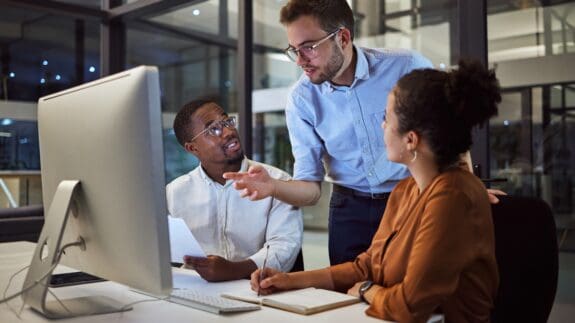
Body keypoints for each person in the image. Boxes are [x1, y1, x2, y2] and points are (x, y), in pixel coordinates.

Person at [224, 0, 505, 266]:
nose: (300, 60)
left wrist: (464, 187)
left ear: (343, 38)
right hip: (349, 210)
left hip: (412, 197)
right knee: (348, 298)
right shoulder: (301, 99)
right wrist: (274, 187)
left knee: (412, 298)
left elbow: (449, 131)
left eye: (308, 47)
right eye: (294, 49)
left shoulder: (406, 66)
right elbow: (310, 189)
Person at [250, 60, 501, 323]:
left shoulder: (452, 196)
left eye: (386, 118)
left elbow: (408, 307)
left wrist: (368, 290)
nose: (382, 126)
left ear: (410, 139)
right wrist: (288, 280)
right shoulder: (406, 190)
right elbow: (367, 266)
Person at [166, 99, 303, 282]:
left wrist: (233, 270)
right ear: (192, 148)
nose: (229, 132)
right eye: (213, 129)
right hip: (196, 287)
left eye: (227, 122)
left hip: (259, 288)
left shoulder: (277, 182)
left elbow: (284, 248)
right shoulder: (175, 193)